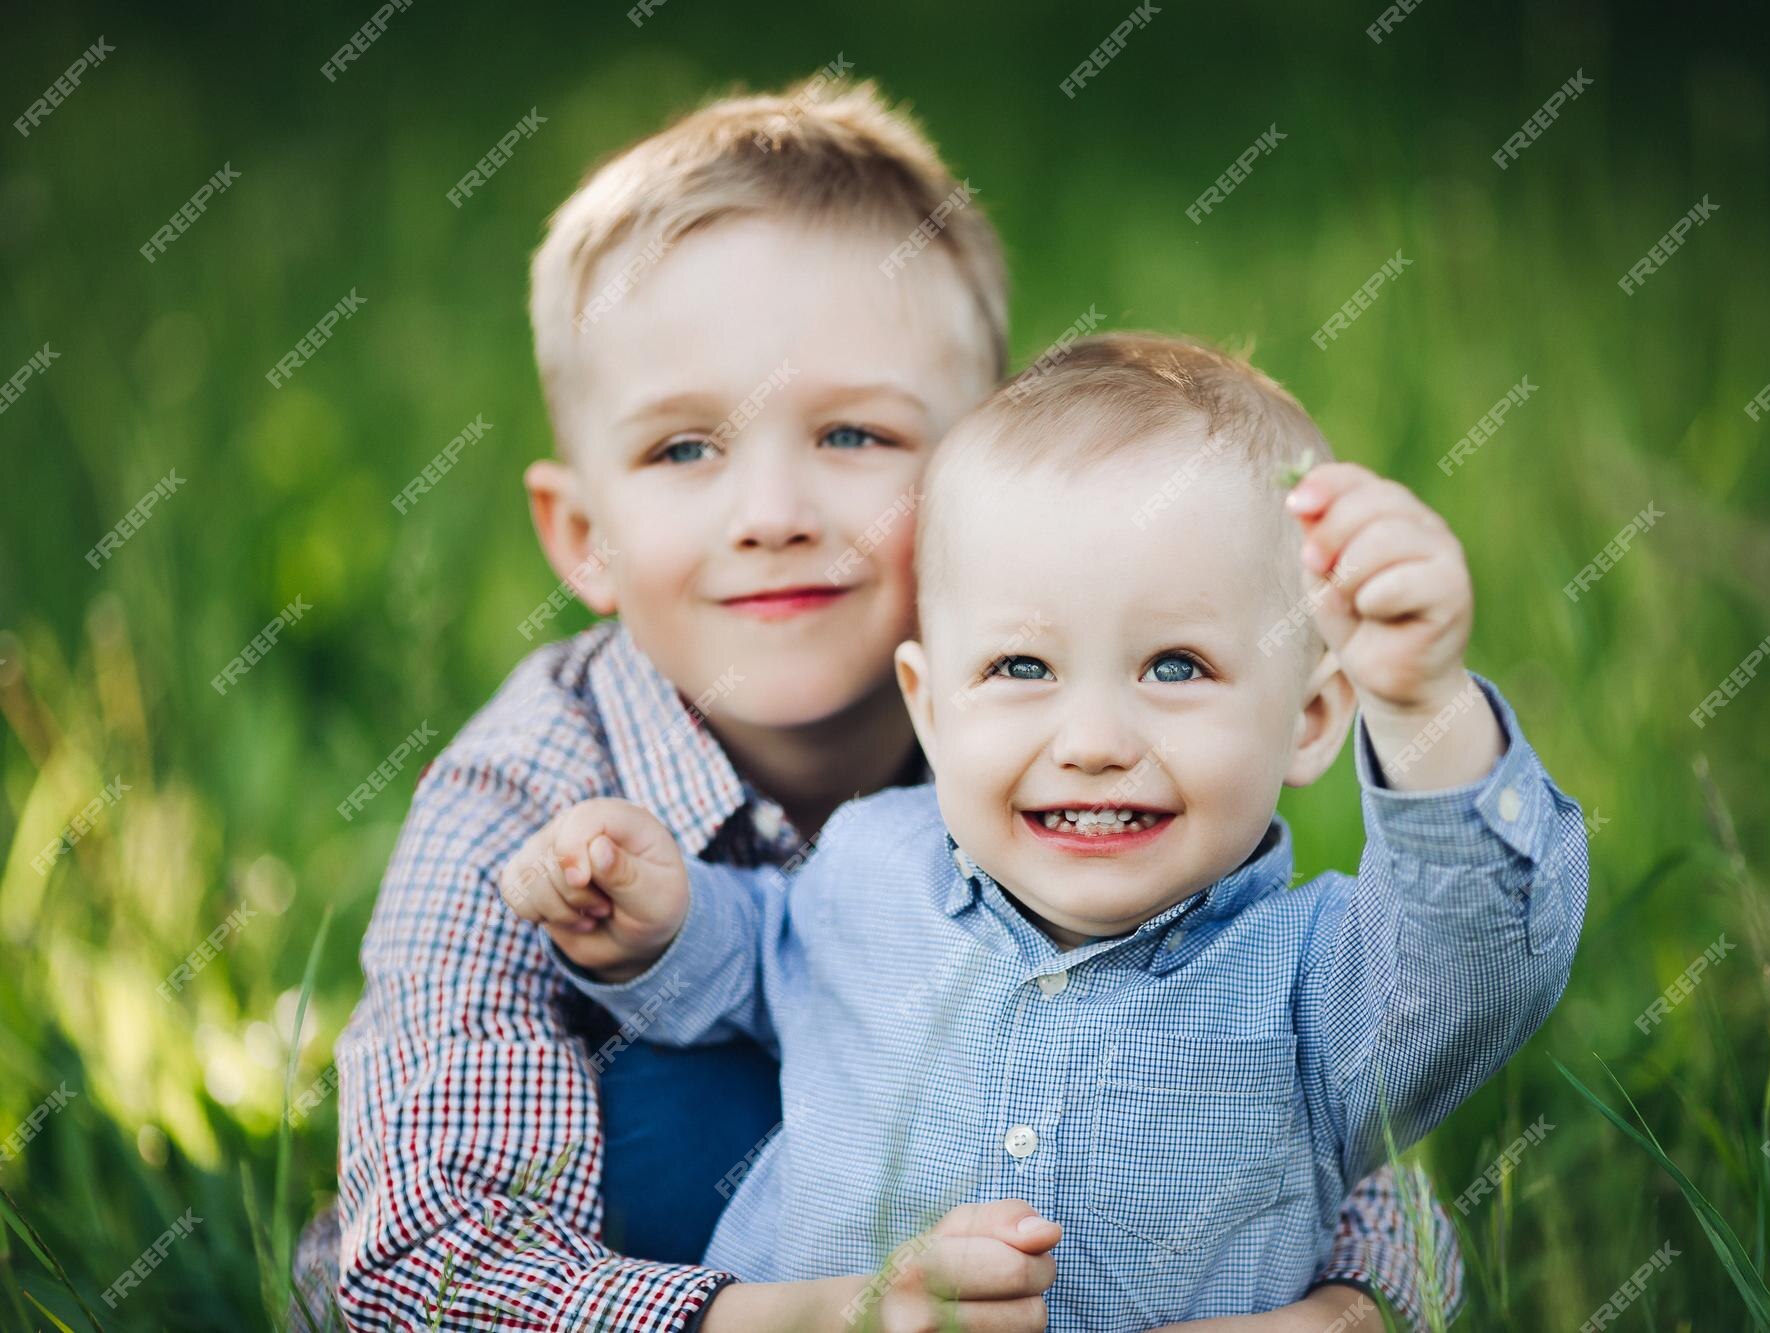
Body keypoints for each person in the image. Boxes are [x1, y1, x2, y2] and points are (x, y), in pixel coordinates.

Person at [501, 333, 1589, 1328]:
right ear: (930, 706)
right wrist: (657, 923)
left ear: (1307, 720)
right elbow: (754, 959)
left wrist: (1421, 707)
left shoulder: (1317, 980)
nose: (1093, 738)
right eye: (1021, 668)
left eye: (1176, 667)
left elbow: (1476, 961)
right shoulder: (871, 867)